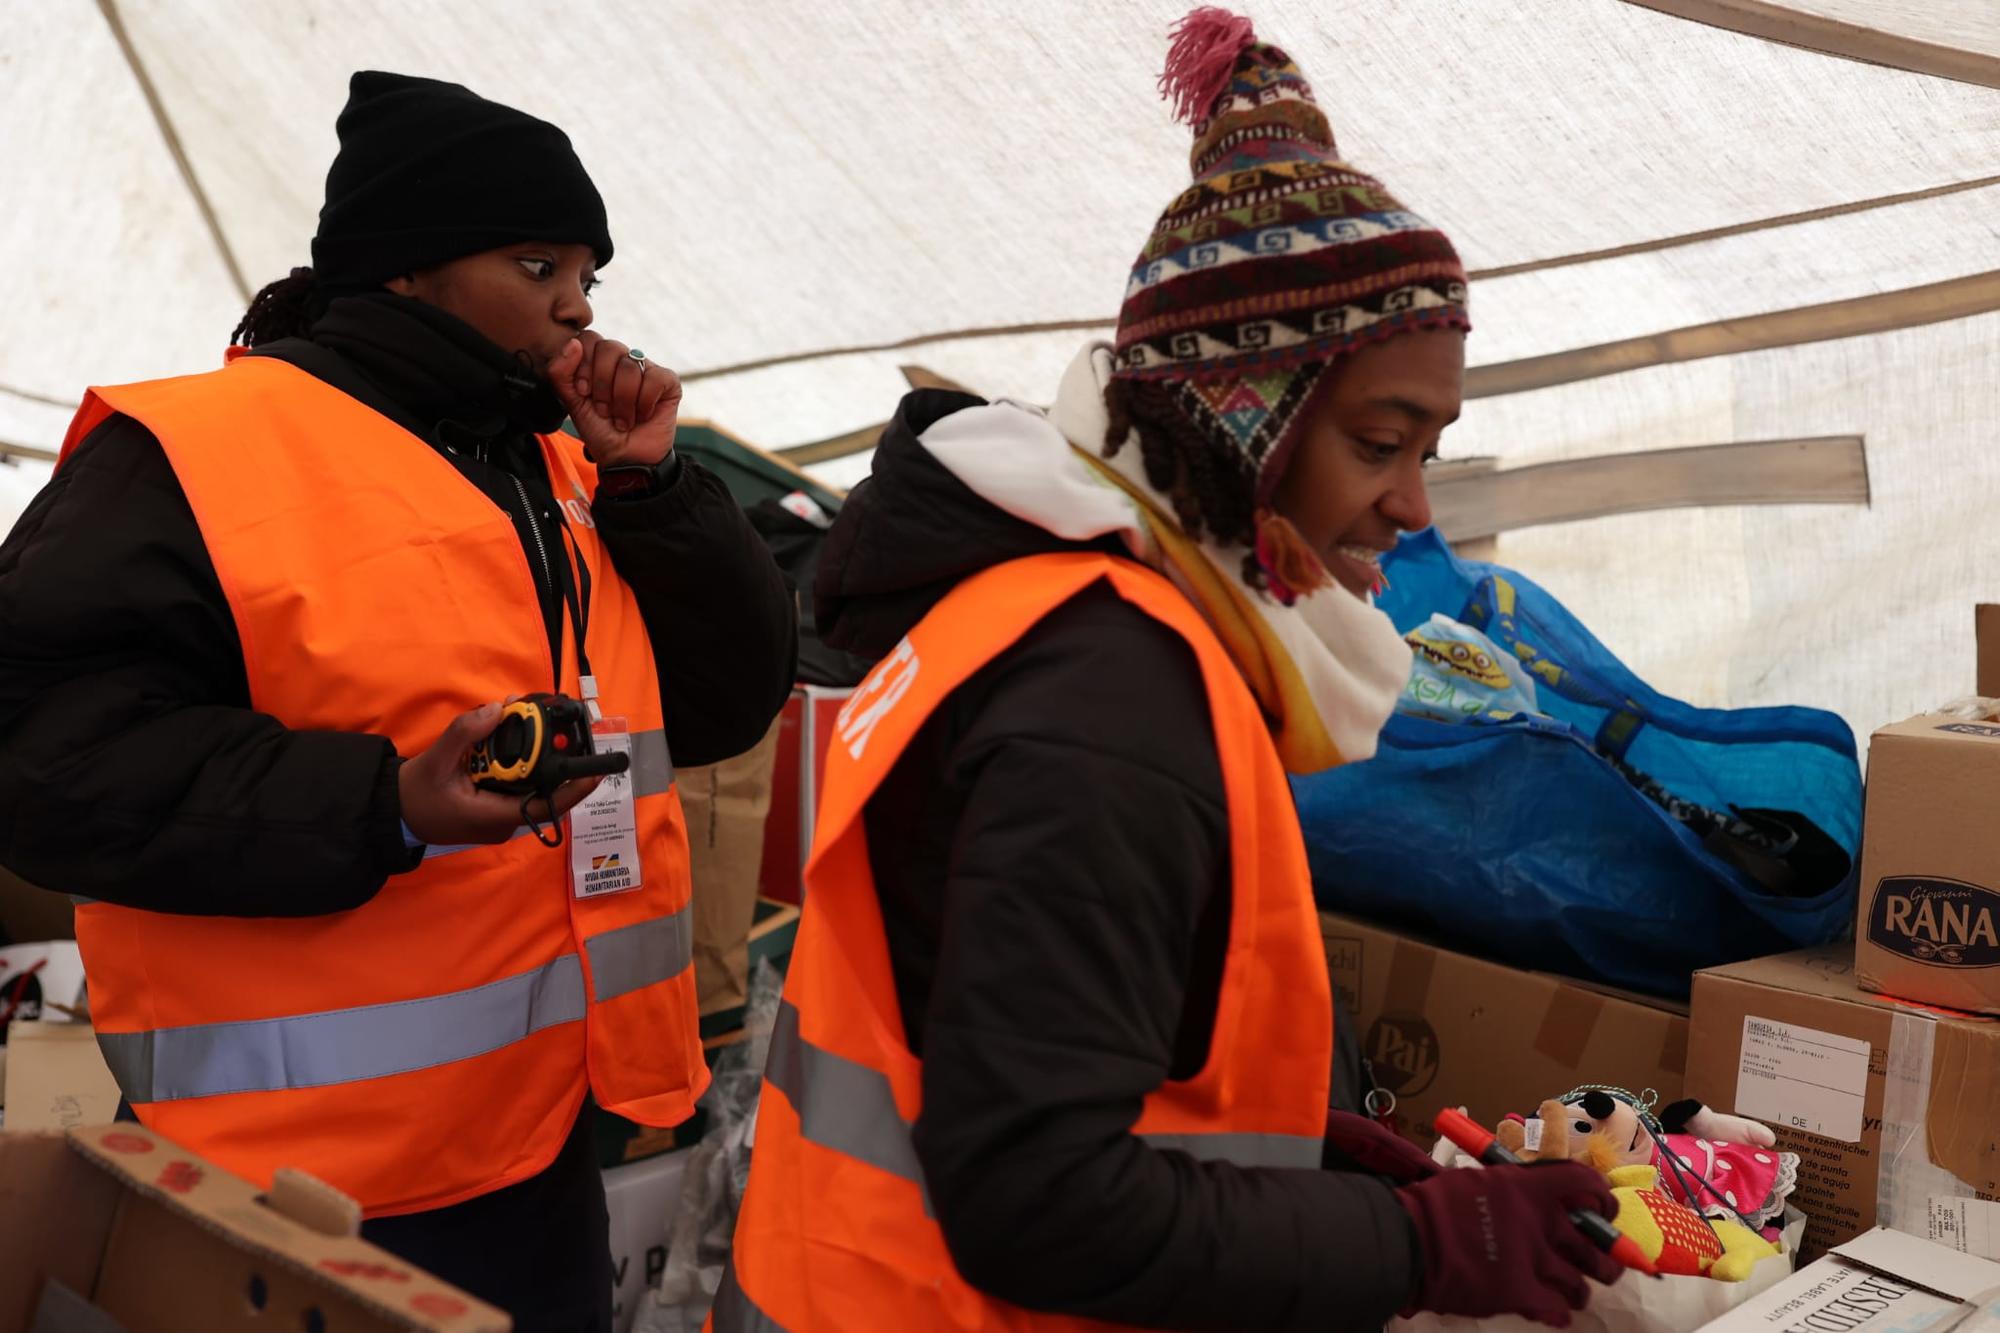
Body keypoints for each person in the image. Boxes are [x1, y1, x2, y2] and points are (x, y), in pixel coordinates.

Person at [713, 12, 1625, 1332]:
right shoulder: (1116, 706)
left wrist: (1301, 1156)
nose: (1416, 507)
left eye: (1431, 445)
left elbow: (1026, 1036)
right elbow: (1039, 1198)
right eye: (1382, 441)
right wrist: (1419, 1241)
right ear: (1245, 427)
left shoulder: (1053, 608)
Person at [0, 72, 796, 1330]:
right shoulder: (193, 455)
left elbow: (723, 703)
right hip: (269, 1184)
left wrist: (657, 488)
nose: (577, 305)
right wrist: (388, 802)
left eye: (588, 273)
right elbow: (45, 769)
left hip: (533, 1156)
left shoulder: (560, 467)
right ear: (407, 268)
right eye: (537, 262)